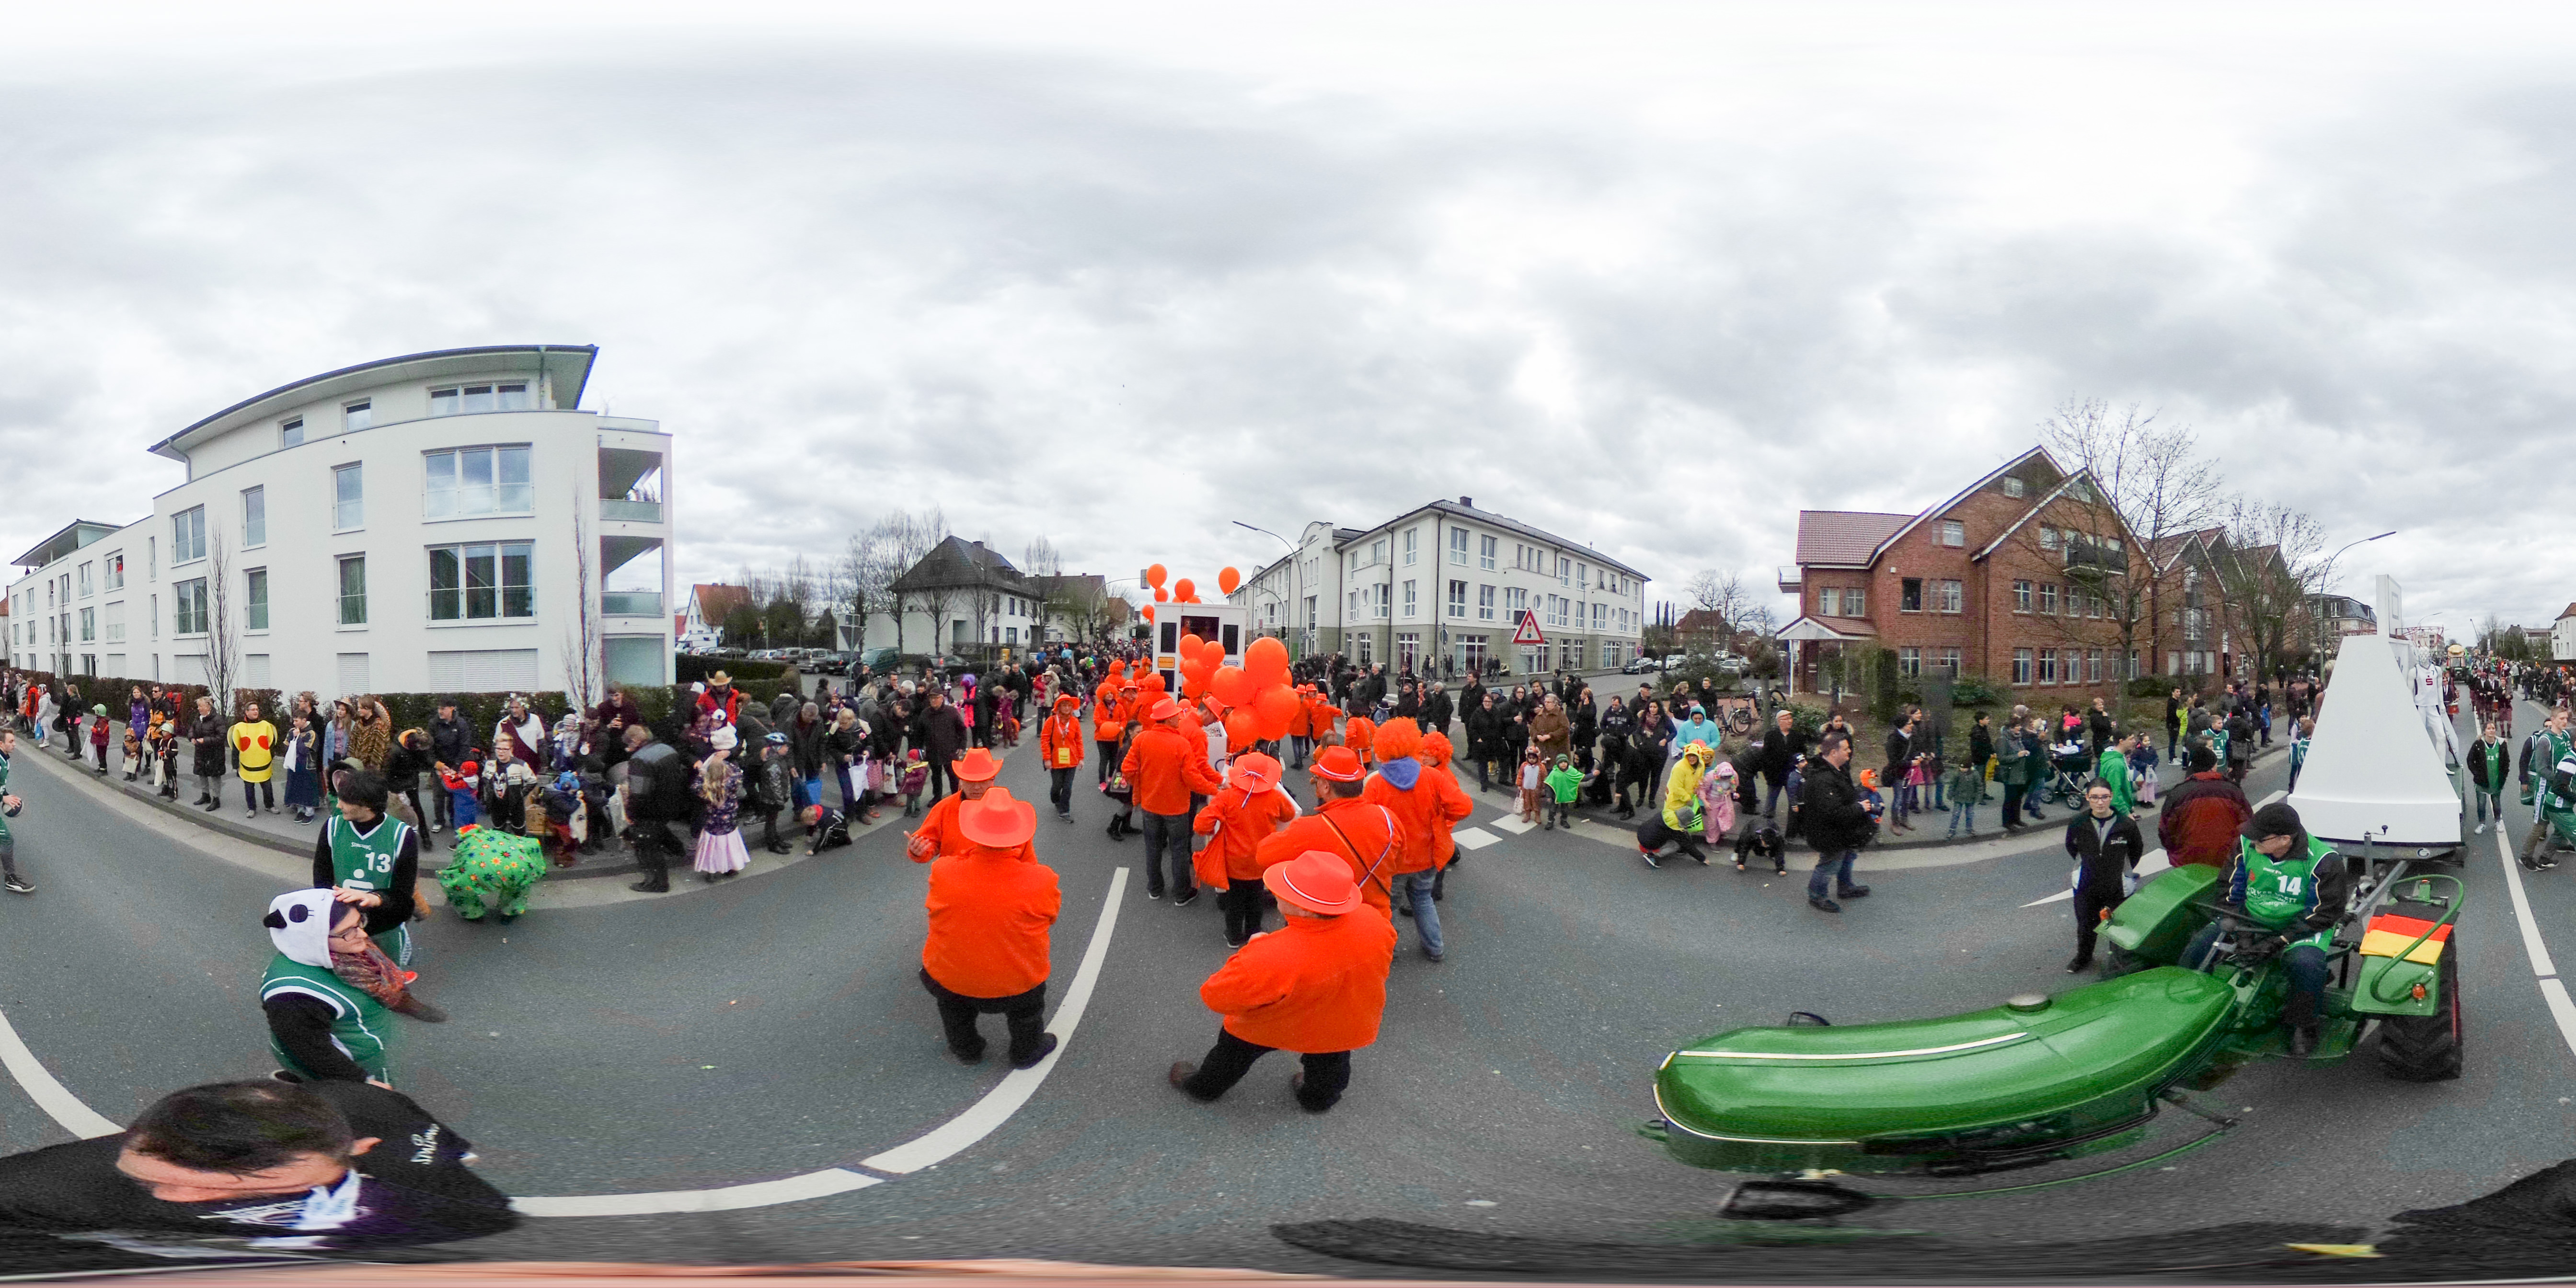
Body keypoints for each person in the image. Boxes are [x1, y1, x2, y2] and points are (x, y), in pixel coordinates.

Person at [0, 1078, 515, 1254]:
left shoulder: (374, 1112)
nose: (174, 1195)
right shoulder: (49, 1189)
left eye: (230, 1185)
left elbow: (474, 1197)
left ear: (361, 1147)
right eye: (152, 1174)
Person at [1167, 850, 1396, 1113]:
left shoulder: (1272, 955)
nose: (1275, 893)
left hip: (1273, 1024)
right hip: (1342, 1022)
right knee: (1331, 1063)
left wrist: (1253, 951)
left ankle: (1204, 1089)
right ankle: (1317, 1101)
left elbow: (1215, 996)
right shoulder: (1373, 921)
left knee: (1232, 1054)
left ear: (1304, 907)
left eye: (1284, 891)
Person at [2183, 802, 2348, 1057]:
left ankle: (2302, 1023)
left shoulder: (2324, 861)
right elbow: (2229, 889)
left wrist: (2278, 941)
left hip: (2301, 926)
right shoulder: (2246, 845)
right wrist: (2243, 933)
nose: (2252, 840)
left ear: (2285, 840)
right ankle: (2186, 1001)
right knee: (2201, 945)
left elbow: (2323, 914)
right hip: (2249, 919)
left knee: (2306, 966)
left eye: (2260, 837)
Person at [920, 788, 1062, 1069]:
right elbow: (1050, 917)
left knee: (953, 1010)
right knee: (1027, 1012)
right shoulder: (1043, 880)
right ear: (1020, 836)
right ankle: (1026, 1051)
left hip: (950, 980)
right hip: (1016, 984)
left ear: (972, 831)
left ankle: (966, 1049)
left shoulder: (943, 870)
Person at [1360, 719, 1471, 962]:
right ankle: (1435, 948)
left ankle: (1388, 951)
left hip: (1393, 861)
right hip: (1427, 856)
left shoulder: (1376, 784)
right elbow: (1463, 807)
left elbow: (1365, 825)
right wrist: (1441, 816)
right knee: (1423, 900)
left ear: (1383, 748)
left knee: (1388, 907)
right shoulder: (1432, 777)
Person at [1254, 747, 1404, 920]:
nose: (1314, 782)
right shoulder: (1389, 818)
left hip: (1331, 923)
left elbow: (1263, 855)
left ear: (1326, 786)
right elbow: (1400, 862)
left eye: (1317, 779)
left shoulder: (1308, 829)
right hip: (1376, 920)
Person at [312, 769, 422, 967]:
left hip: (384, 930)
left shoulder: (402, 835)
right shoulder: (332, 828)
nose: (339, 805)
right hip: (345, 933)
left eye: (345, 801)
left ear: (367, 806)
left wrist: (376, 899)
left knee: (388, 979)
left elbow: (403, 901)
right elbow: (321, 885)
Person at [1193, 752, 1302, 947]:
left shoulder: (1227, 797)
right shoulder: (1275, 797)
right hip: (1261, 860)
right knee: (1256, 898)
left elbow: (1200, 825)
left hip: (1234, 861)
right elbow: (1289, 815)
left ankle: (1234, 936)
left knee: (1234, 901)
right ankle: (1254, 932)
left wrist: (1213, 829)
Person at [1123, 698, 1226, 904]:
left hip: (1150, 805)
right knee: (1179, 850)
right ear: (1169, 719)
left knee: (1152, 848)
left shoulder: (1142, 739)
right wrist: (1215, 790)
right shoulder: (1181, 744)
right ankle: (1181, 893)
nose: (1180, 718)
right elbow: (1192, 778)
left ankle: (1155, 888)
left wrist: (1143, 786)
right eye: (1176, 715)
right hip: (1177, 808)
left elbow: (1128, 769)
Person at [2064, 780, 2145, 973]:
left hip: (2117, 886)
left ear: (2111, 797)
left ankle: (2119, 962)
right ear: (2087, 798)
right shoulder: (2077, 822)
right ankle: (2084, 958)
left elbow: (2136, 850)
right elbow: (2071, 847)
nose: (2100, 802)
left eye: (2104, 797)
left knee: (2117, 926)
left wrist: (2120, 869)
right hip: (2086, 885)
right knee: (2086, 925)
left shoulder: (2126, 825)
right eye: (2094, 797)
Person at [1802, 732, 1875, 913]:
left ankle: (1845, 887)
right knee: (1829, 864)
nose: (1850, 751)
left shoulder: (1838, 769)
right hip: (1828, 833)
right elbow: (1833, 812)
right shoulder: (1822, 779)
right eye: (1846, 749)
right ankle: (1817, 896)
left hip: (1843, 830)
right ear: (1834, 753)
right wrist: (1860, 808)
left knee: (1847, 857)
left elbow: (1843, 795)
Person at [621, 724, 693, 894]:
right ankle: (677, 849)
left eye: (628, 744)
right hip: (673, 802)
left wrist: (631, 813)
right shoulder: (667, 749)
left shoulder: (640, 760)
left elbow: (639, 793)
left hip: (652, 808)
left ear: (636, 741)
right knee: (658, 828)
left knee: (647, 844)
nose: (627, 748)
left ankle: (657, 883)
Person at [908, 747, 1008, 862]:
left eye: (983, 781)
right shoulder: (944, 808)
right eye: (970, 781)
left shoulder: (1007, 810)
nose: (977, 787)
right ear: (961, 781)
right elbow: (927, 841)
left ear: (992, 780)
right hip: (954, 873)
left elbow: (1023, 855)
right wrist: (918, 851)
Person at [916, 688, 970, 803]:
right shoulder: (925, 714)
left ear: (942, 699)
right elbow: (919, 733)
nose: (933, 701)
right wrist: (919, 750)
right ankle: (937, 797)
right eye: (931, 698)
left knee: (953, 776)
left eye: (936, 698)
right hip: (932, 750)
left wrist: (962, 746)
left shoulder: (951, 712)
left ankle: (957, 797)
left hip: (950, 750)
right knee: (936, 776)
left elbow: (962, 730)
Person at [1038, 692, 1086, 821]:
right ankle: (1056, 799)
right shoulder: (1051, 721)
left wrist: (1081, 758)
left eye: (1069, 706)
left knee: (1068, 787)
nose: (1067, 708)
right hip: (1056, 760)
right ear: (1059, 707)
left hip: (1072, 760)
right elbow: (1045, 740)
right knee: (1057, 786)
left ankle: (1065, 811)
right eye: (1064, 705)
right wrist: (1047, 759)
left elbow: (1079, 741)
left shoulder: (1075, 722)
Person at [0, 730, 31, 895]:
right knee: (7, 839)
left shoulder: (5, 760)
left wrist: (6, 795)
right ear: (1, 744)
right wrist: (3, 798)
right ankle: (10, 880)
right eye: (11, 742)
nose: (15, 745)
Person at [2468, 722, 2511, 835]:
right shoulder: (2478, 744)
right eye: (2489, 728)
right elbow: (2470, 760)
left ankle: (2498, 822)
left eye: (2493, 728)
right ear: (2484, 731)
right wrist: (2476, 774)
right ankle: (2482, 824)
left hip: (2496, 780)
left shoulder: (2502, 745)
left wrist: (2504, 776)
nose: (2491, 730)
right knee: (2481, 803)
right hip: (2482, 781)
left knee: (2496, 802)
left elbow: (2506, 762)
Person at [1944, 751, 1986, 839]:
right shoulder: (1957, 774)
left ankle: (1969, 829)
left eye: (1965, 768)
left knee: (1970, 814)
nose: (1962, 770)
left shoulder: (1975, 774)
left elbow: (1979, 786)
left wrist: (1979, 798)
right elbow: (1953, 785)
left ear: (1969, 768)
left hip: (1971, 798)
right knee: (1956, 814)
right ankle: (1952, 830)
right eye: (1961, 768)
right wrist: (1950, 795)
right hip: (1959, 797)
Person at [2096, 732, 2137, 815]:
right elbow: (2115, 794)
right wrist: (2127, 813)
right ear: (2121, 741)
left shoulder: (2116, 756)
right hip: (2118, 813)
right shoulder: (2116, 764)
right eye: (2131, 739)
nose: (2134, 741)